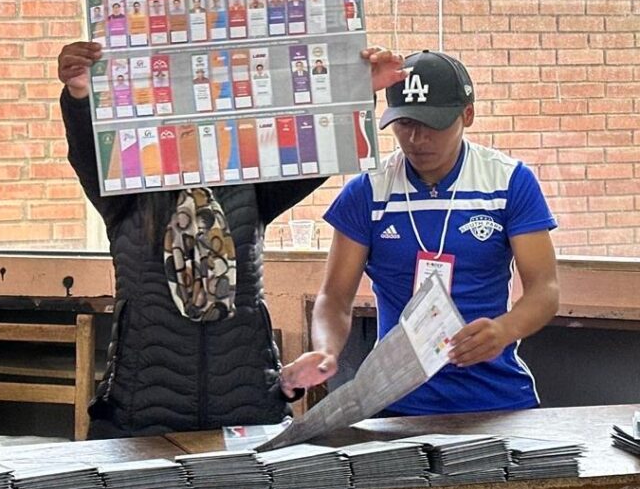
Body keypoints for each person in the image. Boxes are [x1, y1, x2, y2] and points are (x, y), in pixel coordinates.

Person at [56, 41, 405, 438]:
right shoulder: (126, 191)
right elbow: (87, 151)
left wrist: (358, 91)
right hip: (140, 416)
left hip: (249, 409)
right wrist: (81, 93)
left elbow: (321, 150)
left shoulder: (250, 186)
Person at [280, 50, 559, 417]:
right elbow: (334, 297)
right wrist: (327, 350)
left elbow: (545, 289)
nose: (417, 138)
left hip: (496, 398)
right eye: (405, 123)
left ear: (467, 116)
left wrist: (504, 330)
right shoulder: (368, 191)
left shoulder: (508, 182)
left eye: (433, 123)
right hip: (397, 402)